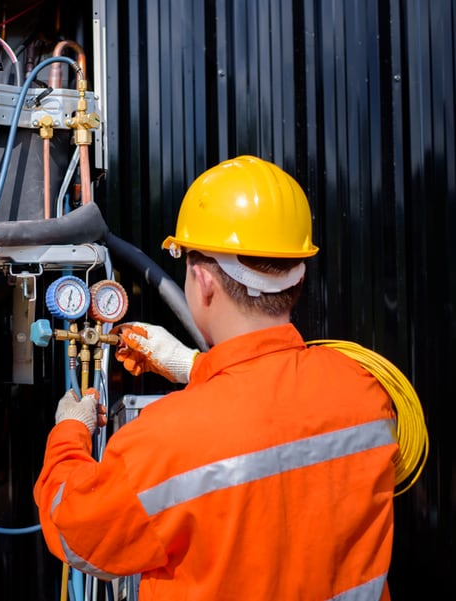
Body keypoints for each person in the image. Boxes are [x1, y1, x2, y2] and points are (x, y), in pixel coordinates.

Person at [33, 155, 398, 600]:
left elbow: (77, 535)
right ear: (296, 275)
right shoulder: (365, 391)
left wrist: (70, 432)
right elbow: (271, 409)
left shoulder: (162, 442)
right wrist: (192, 365)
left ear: (202, 280)